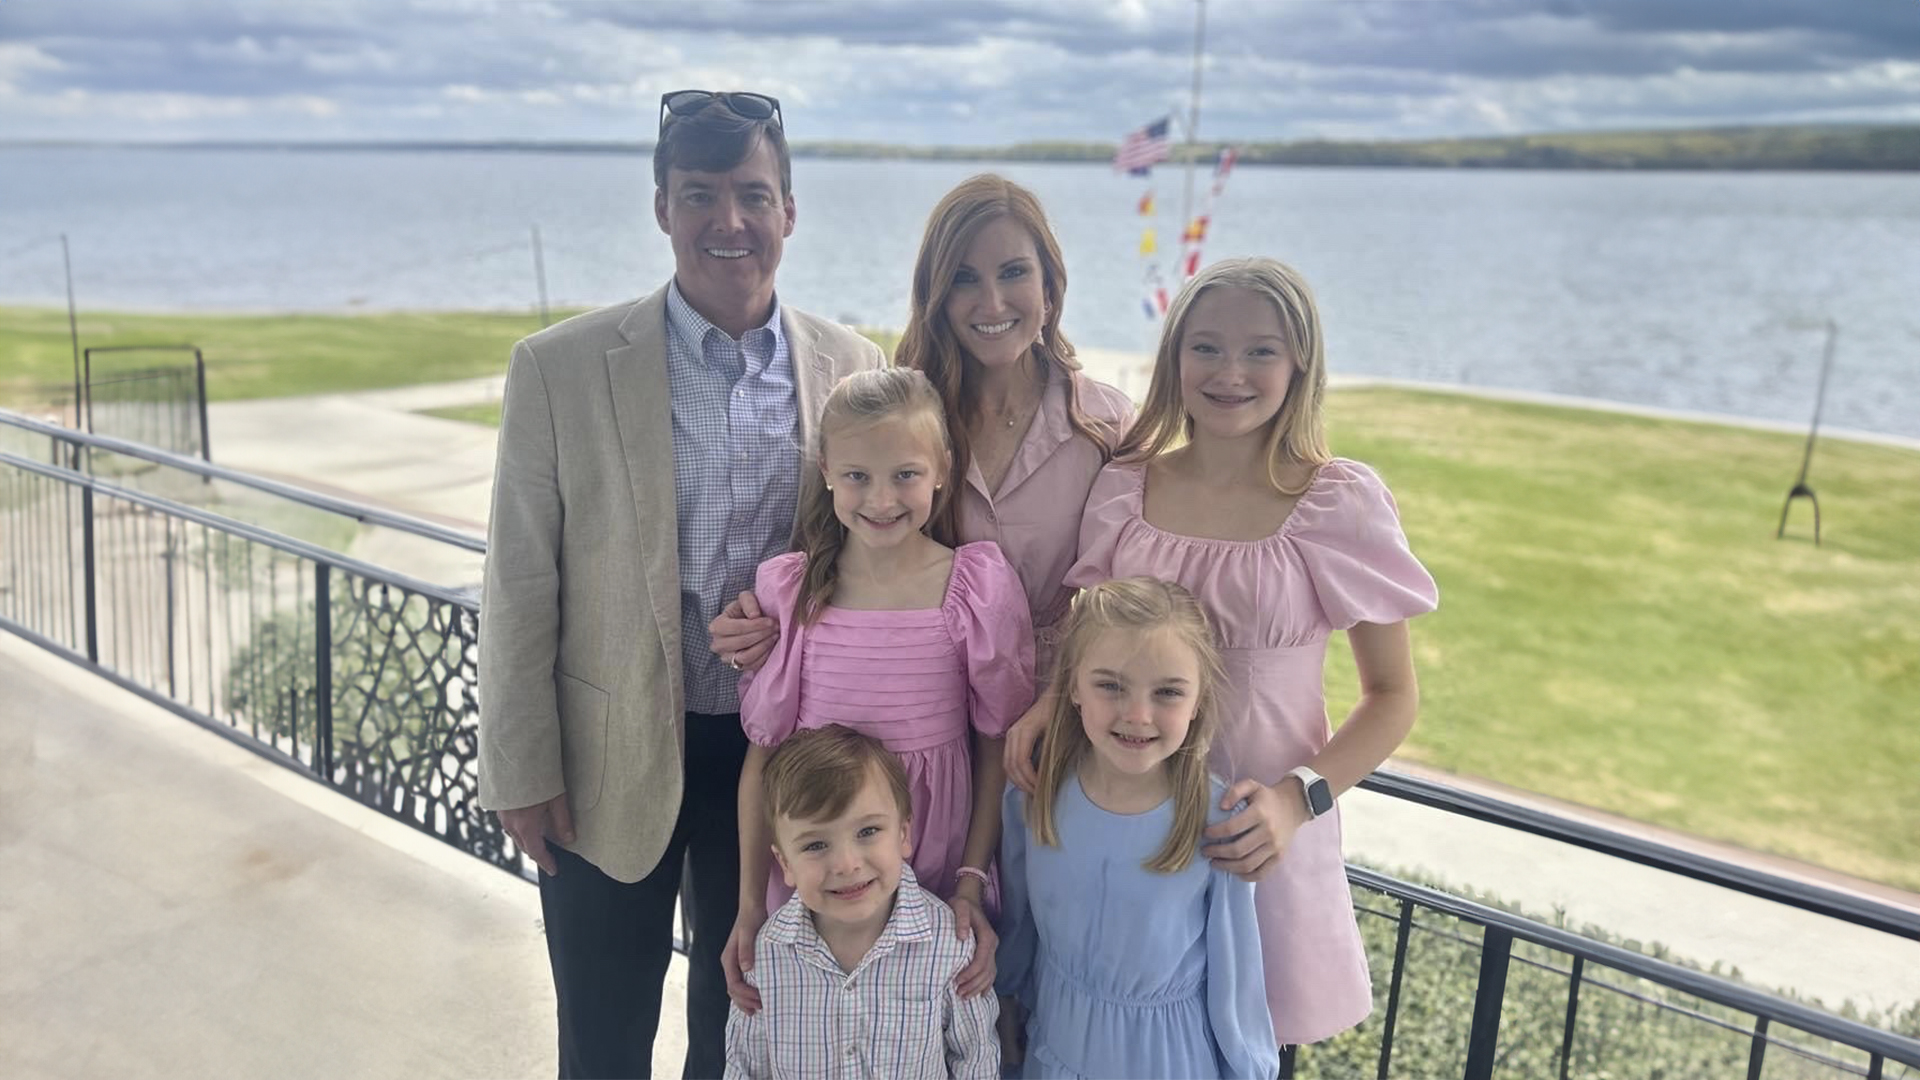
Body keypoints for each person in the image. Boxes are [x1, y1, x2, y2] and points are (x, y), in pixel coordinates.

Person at [477, 89, 883, 1079]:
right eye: (700, 194)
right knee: (603, 1039)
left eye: (752, 194)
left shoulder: (856, 369)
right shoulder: (561, 368)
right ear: (662, 207)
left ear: (790, 209)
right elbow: (520, 581)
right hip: (605, 760)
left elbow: (877, 567)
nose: (728, 222)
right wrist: (520, 770)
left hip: (777, 766)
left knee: (740, 1036)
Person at [1004, 257, 1439, 1047]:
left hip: (1254, 842)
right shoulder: (1124, 488)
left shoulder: (1338, 503)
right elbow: (1090, 634)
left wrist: (1294, 800)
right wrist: (1045, 703)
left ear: (1299, 360)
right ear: (1174, 358)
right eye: (1205, 347)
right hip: (1130, 834)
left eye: (1260, 351)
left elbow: (1393, 696)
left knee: (1247, 1047)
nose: (1230, 372)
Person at [709, 173, 1133, 688]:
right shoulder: (897, 417)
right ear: (936, 293)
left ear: (1049, 286)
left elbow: (1140, 592)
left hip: (1063, 705)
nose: (993, 303)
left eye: (1014, 272)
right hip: (914, 702)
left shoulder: (1106, 425)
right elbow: (828, 554)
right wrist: (758, 622)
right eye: (964, 277)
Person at [724, 367, 1034, 1013]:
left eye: (905, 474)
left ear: (943, 468)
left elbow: (991, 748)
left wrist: (972, 883)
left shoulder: (974, 587)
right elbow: (763, 758)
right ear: (827, 470)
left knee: (926, 1025)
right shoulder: (795, 592)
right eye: (858, 475)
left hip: (937, 853)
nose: (882, 498)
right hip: (818, 861)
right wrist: (750, 905)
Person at [996, 577, 1277, 1079]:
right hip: (1053, 1046)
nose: (1137, 715)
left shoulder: (1219, 821)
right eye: (1111, 686)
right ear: (1074, 687)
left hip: (1168, 1061)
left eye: (1167, 692)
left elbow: (1236, 980)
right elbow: (1018, 927)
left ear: (1196, 702)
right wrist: (1005, 1005)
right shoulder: (1032, 795)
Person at [723, 725, 1000, 1080]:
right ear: (785, 864)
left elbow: (976, 1058)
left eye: (867, 832)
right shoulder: (766, 954)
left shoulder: (950, 945)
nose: (847, 864)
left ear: (903, 834)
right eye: (815, 845)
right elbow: (744, 1065)